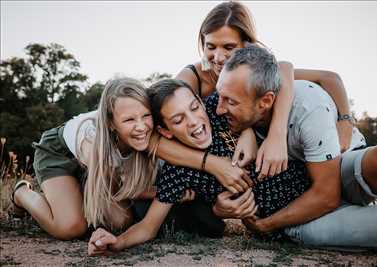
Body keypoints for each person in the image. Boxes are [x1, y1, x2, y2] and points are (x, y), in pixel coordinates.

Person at [87, 78, 311, 256]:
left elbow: (272, 79)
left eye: (194, 107)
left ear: (201, 101)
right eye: (178, 120)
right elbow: (148, 227)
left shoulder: (217, 108)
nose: (194, 121)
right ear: (165, 132)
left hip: (314, 181)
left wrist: (247, 131)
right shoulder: (177, 173)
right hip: (290, 224)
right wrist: (117, 242)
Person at [215, 44, 377, 247]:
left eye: (230, 102)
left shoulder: (308, 107)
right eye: (220, 96)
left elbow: (327, 195)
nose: (219, 109)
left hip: (339, 166)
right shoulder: (238, 98)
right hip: (303, 202)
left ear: (265, 101)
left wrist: (266, 224)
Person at [175, 1, 354, 180]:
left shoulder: (255, 74)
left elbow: (329, 78)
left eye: (229, 47)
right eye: (211, 46)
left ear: (247, 47)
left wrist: (345, 121)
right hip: (204, 166)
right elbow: (156, 135)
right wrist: (213, 163)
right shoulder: (193, 77)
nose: (219, 58)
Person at [10, 77, 194, 240]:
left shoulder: (150, 133)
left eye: (146, 116)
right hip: (59, 153)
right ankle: (21, 194)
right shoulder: (91, 137)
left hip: (96, 170)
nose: (141, 127)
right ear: (111, 123)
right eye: (129, 120)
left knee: (121, 222)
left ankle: (73, 193)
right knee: (70, 227)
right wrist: (168, 192)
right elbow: (120, 187)